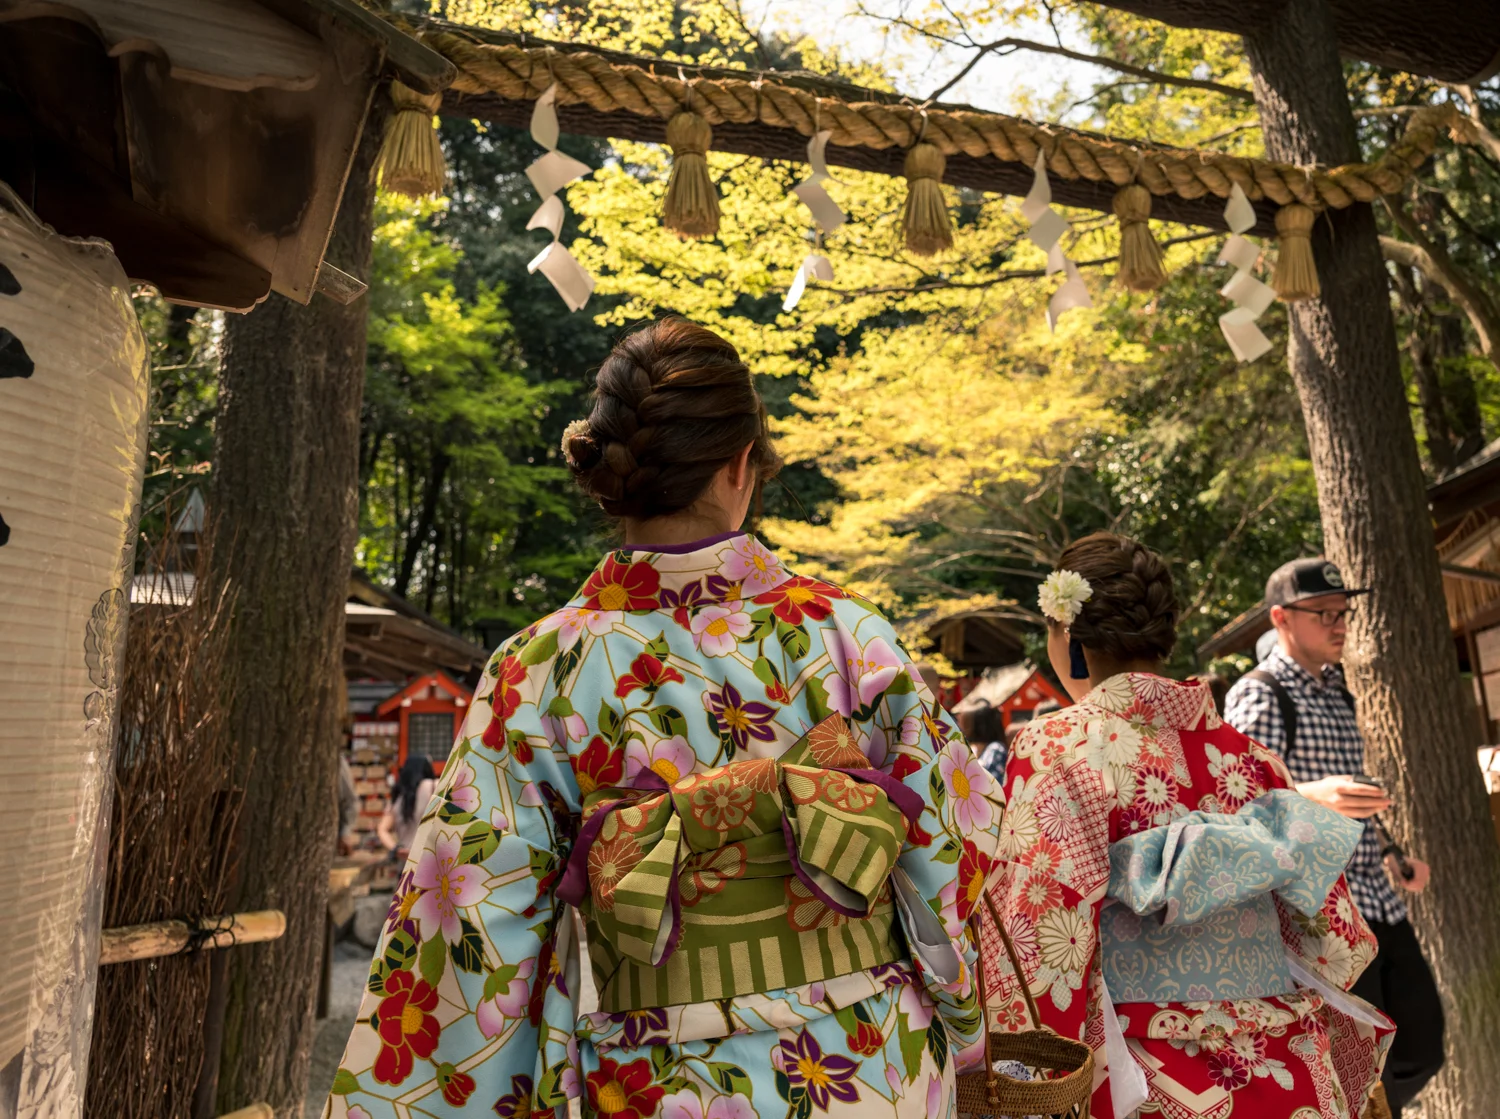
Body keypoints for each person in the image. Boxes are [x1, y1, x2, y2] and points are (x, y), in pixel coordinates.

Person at [326, 318, 1002, 1119]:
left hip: (657, 1075)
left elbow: (470, 924)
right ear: (741, 465)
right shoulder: (849, 637)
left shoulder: (538, 672)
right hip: (867, 1063)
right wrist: (962, 1023)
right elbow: (952, 854)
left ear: (615, 474)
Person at [990, 532, 1392, 1119]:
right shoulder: (1252, 759)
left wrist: (1020, 1065)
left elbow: (1038, 940)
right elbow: (1335, 940)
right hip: (1284, 1064)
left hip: (1143, 1073)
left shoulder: (1058, 747)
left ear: (1071, 638)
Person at [1223, 557, 1445, 1116]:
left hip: (1376, 898)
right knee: (1359, 1067)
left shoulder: (1339, 694)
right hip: (1320, 915)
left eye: (1343, 613)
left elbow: (1354, 796)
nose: (1340, 625)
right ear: (1281, 618)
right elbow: (1236, 806)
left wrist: (1393, 851)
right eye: (1324, 613)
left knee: (1423, 1044)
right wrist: (1311, 796)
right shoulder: (1261, 695)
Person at [376, 755, 435, 862]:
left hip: (406, 863)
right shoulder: (433, 787)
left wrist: (396, 849)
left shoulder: (397, 797)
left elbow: (382, 830)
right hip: (430, 861)